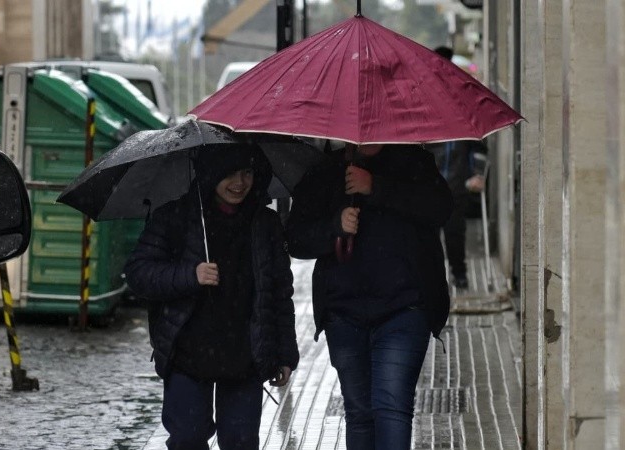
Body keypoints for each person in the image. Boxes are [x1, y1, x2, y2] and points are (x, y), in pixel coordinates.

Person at [124, 144, 299, 450]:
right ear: (209, 174)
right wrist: (189, 276)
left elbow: (279, 293)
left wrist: (284, 354)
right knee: (187, 439)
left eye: (246, 173)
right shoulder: (175, 218)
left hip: (244, 354)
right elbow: (139, 274)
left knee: (241, 441)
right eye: (229, 173)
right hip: (187, 353)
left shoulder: (264, 224)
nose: (239, 183)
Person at [286, 143, 453, 450]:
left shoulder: (413, 162)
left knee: (392, 408)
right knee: (360, 414)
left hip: (404, 310)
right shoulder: (325, 173)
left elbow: (440, 208)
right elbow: (296, 239)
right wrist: (333, 227)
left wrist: (376, 187)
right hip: (343, 314)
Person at [432, 45, 488, 289]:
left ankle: (459, 273)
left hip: (456, 183)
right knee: (429, 237)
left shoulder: (463, 104)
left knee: (455, 233)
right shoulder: (424, 104)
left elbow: (478, 147)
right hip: (429, 183)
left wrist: (477, 173)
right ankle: (432, 278)